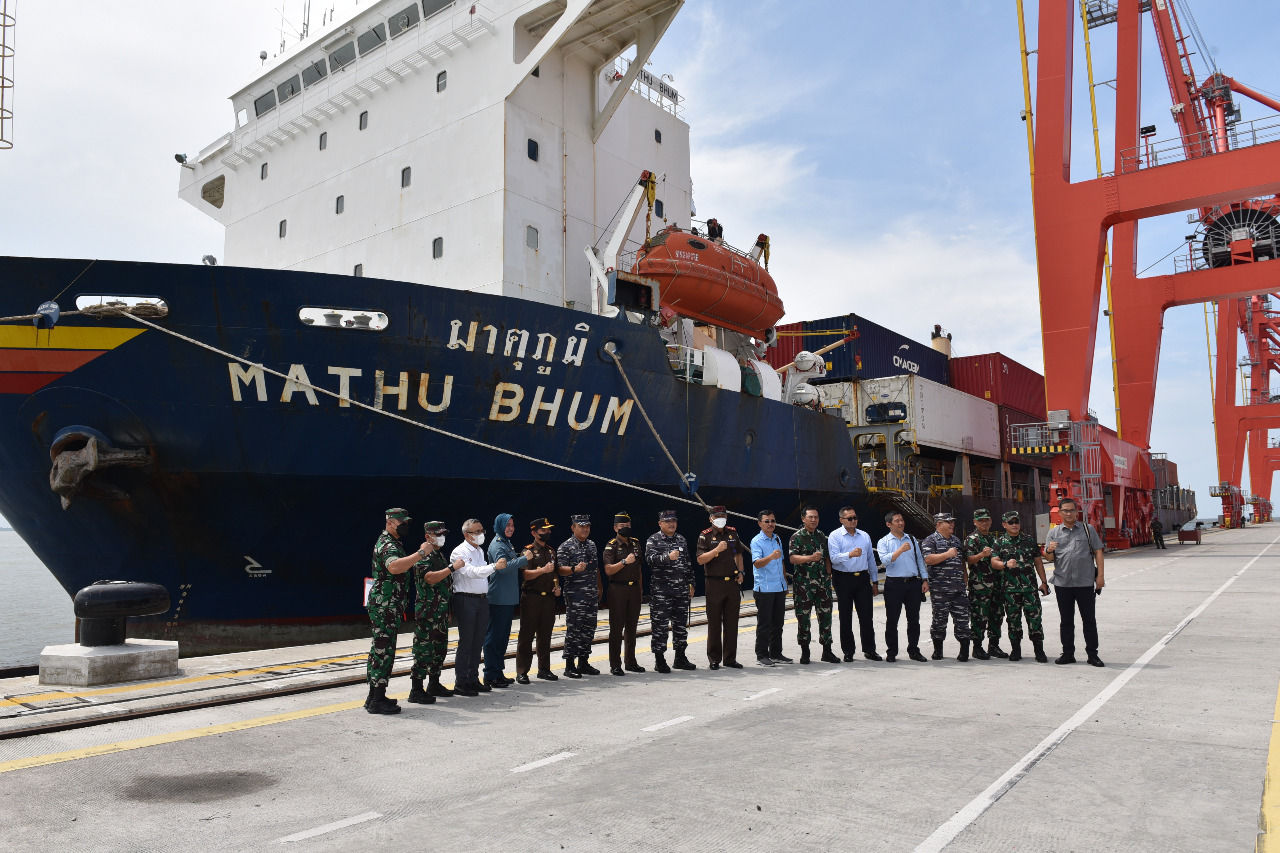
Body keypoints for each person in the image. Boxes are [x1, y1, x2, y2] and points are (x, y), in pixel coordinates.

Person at [366, 508, 434, 715]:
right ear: (390, 522)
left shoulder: (393, 542)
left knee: (380, 649)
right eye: (401, 522)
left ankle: (373, 695)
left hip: (388, 604)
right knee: (384, 650)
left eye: (406, 522)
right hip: (385, 604)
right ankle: (377, 699)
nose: (405, 525)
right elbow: (394, 567)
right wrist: (421, 553)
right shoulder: (387, 543)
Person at [1044, 498, 1106, 667]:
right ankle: (1068, 653)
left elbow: (1098, 551)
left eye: (1072, 510)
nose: (1069, 513)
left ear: (1077, 512)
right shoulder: (1053, 533)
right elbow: (1049, 558)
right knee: (1066, 621)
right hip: (1062, 583)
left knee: (1089, 620)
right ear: (1060, 512)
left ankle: (1092, 655)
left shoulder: (1087, 530)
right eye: (1065, 510)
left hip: (1085, 582)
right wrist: (1049, 549)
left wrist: (1100, 576)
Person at [409, 520, 465, 702]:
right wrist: (451, 568)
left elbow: (445, 585)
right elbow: (430, 578)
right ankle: (416, 689)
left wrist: (448, 610)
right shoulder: (423, 557)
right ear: (428, 537)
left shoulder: (438, 555)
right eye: (438, 534)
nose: (442, 538)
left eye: (443, 534)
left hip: (440, 612)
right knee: (423, 650)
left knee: (439, 650)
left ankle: (434, 683)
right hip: (427, 612)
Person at [449, 519, 506, 696]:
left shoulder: (479, 550)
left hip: (481, 600)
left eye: (482, 530)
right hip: (465, 599)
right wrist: (494, 567)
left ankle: (473, 679)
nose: (481, 534)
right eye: (477, 531)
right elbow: (471, 572)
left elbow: (481, 574)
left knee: (478, 641)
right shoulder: (459, 552)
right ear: (467, 535)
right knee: (467, 641)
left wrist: (490, 568)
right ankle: (461, 681)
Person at [991, 511, 1050, 663]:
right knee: (1013, 621)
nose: (1014, 524)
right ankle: (1016, 650)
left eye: (1016, 521)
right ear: (1004, 525)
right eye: (1011, 522)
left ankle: (1039, 651)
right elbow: (994, 562)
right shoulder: (1000, 542)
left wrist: (1043, 582)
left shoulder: (1029, 540)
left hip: (1030, 589)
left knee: (1035, 620)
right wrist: (1005, 564)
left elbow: (1038, 561)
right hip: (1010, 591)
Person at [645, 509, 696, 673]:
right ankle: (659, 660)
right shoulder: (653, 540)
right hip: (662, 592)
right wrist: (667, 557)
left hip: (681, 590)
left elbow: (688, 563)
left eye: (673, 520)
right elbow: (649, 560)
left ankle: (680, 657)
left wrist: (691, 583)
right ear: (660, 523)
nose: (671, 523)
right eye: (667, 521)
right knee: (660, 627)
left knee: (680, 626)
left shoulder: (681, 539)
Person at [695, 506, 746, 670]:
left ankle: (730, 658)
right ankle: (714, 658)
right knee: (714, 622)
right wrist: (716, 550)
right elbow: (700, 560)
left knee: (732, 623)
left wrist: (741, 572)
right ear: (711, 519)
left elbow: (738, 554)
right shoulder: (705, 535)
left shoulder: (733, 533)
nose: (721, 518)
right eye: (717, 516)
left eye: (723, 515)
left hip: (732, 583)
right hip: (714, 583)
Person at [484, 514, 530, 689]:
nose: (511, 528)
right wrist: (524, 559)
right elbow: (502, 569)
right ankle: (490, 674)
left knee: (502, 638)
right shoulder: (497, 545)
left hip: (507, 598)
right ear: (500, 526)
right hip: (498, 598)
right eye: (507, 525)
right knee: (494, 638)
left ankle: (498, 672)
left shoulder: (506, 543)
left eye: (513, 524)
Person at [875, 511, 930, 662]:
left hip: (912, 583)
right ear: (889, 524)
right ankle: (892, 651)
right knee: (892, 620)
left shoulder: (911, 539)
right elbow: (885, 561)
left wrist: (924, 580)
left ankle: (914, 650)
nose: (901, 523)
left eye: (902, 520)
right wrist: (900, 550)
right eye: (897, 521)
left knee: (914, 620)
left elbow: (920, 560)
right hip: (894, 584)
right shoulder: (883, 542)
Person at [828, 505, 880, 662]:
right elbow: (834, 558)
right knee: (845, 617)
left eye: (855, 517)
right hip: (843, 579)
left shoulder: (864, 536)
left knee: (866, 616)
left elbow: (871, 558)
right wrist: (850, 554)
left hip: (862, 579)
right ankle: (848, 651)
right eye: (849, 518)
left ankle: (870, 650)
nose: (853, 521)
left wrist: (875, 580)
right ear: (841, 520)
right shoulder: (835, 536)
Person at [788, 507, 839, 665]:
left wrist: (830, 575)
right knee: (803, 618)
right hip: (804, 585)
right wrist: (810, 557)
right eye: (810, 517)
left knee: (826, 617)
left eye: (816, 517)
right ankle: (805, 651)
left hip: (822, 584)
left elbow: (827, 558)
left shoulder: (822, 536)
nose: (814, 520)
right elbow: (792, 559)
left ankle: (827, 651)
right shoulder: (796, 537)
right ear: (803, 519)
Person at [921, 512, 972, 661]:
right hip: (940, 590)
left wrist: (965, 580)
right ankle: (938, 650)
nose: (952, 525)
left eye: (952, 522)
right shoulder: (930, 541)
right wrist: (947, 554)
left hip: (959, 590)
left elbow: (961, 562)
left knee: (963, 620)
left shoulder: (956, 540)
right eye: (948, 522)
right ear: (938, 524)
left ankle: (964, 651)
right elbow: (929, 559)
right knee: (939, 621)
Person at [515, 518, 559, 684]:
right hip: (531, 597)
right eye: (544, 530)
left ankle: (544, 669)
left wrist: (557, 586)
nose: (547, 533)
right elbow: (526, 574)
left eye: (549, 530)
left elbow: (554, 573)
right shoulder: (528, 551)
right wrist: (542, 570)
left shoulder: (551, 551)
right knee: (526, 635)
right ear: (534, 533)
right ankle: (522, 671)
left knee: (545, 635)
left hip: (548, 598)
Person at [557, 514, 602, 678]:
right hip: (575, 594)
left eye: (587, 526)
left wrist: (599, 586)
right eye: (581, 526)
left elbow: (595, 567)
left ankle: (583, 662)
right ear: (572, 527)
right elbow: (560, 570)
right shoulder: (565, 547)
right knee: (574, 629)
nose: (585, 529)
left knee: (589, 628)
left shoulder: (591, 545)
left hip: (591, 593)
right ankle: (569, 665)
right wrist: (574, 569)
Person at [603, 512, 645, 676]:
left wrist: (640, 589)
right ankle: (615, 664)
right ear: (615, 527)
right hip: (617, 589)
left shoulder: (635, 543)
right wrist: (624, 562)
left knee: (632, 628)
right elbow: (608, 570)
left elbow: (639, 568)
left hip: (633, 588)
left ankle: (631, 662)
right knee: (616, 628)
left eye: (628, 526)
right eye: (622, 526)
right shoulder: (611, 545)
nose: (625, 529)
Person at [963, 508, 1006, 661]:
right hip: (980, 585)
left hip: (996, 584)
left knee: (997, 615)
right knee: (979, 616)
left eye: (987, 520)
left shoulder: (995, 539)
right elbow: (968, 559)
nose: (984, 523)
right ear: (975, 522)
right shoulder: (971, 539)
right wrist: (982, 555)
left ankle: (994, 645)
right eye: (981, 520)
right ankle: (977, 647)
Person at [750, 510, 790, 666]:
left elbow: (782, 563)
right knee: (764, 623)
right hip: (765, 588)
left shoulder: (777, 538)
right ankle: (761, 655)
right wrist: (770, 557)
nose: (770, 524)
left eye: (773, 521)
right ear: (760, 523)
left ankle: (776, 653)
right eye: (767, 521)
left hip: (779, 586)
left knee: (778, 622)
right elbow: (757, 563)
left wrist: (785, 583)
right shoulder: (756, 541)